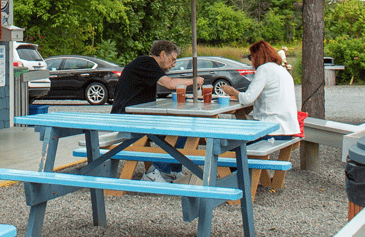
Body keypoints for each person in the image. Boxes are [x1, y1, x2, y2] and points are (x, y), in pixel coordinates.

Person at [110, 40, 203, 183]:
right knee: (178, 130)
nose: (173, 64)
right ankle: (156, 172)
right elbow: (170, 84)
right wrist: (194, 80)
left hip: (137, 116)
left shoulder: (146, 65)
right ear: (163, 54)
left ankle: (171, 170)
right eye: (172, 60)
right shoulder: (146, 63)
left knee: (183, 130)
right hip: (126, 118)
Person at [222, 40, 299, 137]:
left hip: (271, 128)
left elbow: (247, 99)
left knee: (232, 137)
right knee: (240, 129)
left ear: (257, 56)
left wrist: (232, 91)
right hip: (288, 128)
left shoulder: (264, 69)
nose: (251, 62)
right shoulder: (282, 70)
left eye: (251, 57)